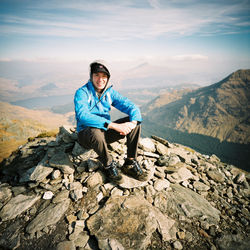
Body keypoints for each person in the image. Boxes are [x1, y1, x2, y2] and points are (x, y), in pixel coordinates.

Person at [74, 60, 148, 184]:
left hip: (104, 132)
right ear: (91, 76)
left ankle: (130, 162)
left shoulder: (109, 92)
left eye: (104, 76)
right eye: (96, 75)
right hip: (86, 135)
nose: (100, 79)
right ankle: (108, 164)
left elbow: (132, 106)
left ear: (108, 78)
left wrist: (132, 123)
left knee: (133, 121)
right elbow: (83, 116)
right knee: (94, 131)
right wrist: (113, 125)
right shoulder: (82, 92)